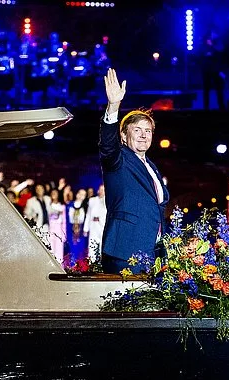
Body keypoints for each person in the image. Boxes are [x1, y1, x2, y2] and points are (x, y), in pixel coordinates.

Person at [99, 68, 170, 274]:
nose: (143, 135)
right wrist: (113, 106)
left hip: (153, 252)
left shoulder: (152, 166)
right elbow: (107, 146)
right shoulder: (118, 159)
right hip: (125, 250)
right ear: (123, 135)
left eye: (147, 131)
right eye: (137, 130)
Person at [83, 183, 107, 262]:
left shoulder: (106, 200)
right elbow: (88, 214)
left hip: (102, 226)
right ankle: (91, 263)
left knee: (101, 246)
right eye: (100, 189)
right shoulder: (92, 200)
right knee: (92, 244)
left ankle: (100, 264)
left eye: (103, 190)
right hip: (93, 225)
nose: (101, 191)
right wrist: (85, 228)